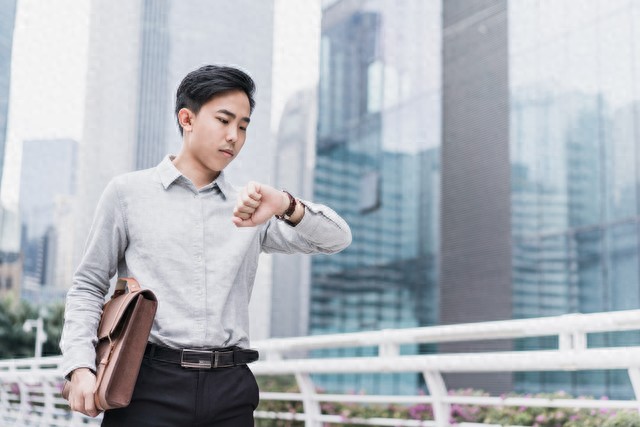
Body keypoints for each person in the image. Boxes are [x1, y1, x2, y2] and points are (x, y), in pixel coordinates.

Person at [60, 64, 352, 426]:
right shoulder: (127, 194)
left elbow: (336, 239)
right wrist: (79, 365)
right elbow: (88, 285)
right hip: (147, 383)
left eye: (243, 126)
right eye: (224, 120)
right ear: (187, 118)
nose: (234, 136)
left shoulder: (251, 207)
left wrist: (284, 205)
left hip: (231, 388)